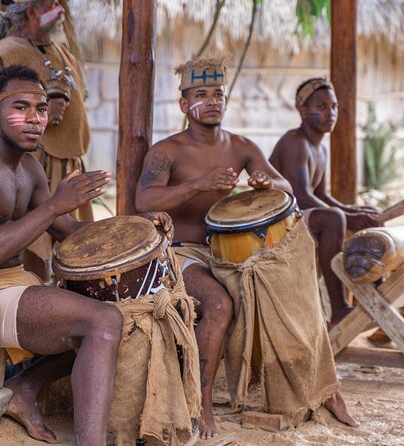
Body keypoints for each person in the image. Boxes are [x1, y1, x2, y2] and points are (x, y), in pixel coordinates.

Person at [0, 65, 172, 445]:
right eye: (21, 108)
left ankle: (25, 389)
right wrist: (54, 205)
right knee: (102, 321)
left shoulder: (28, 166)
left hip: (17, 287)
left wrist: (138, 226)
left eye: (41, 109)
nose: (34, 119)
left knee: (117, 309)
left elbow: (68, 232)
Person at [135, 57, 356, 440]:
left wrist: (263, 183)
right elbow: (144, 200)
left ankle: (325, 389)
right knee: (220, 306)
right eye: (201, 94)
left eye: (218, 93)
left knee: (293, 291)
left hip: (226, 254)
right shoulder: (165, 151)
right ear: (185, 105)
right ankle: (202, 403)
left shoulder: (240, 146)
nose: (213, 101)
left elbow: (286, 186)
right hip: (179, 253)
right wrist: (198, 185)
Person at [0, 0, 92, 282]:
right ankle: (30, 304)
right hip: (35, 161)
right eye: (53, 4)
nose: (62, 9)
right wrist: (41, 115)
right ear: (32, 12)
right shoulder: (6, 52)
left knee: (79, 246)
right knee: (33, 247)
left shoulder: (62, 52)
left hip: (68, 161)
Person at [269, 77, 380, 326]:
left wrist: (354, 210)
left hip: (297, 216)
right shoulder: (295, 142)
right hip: (275, 224)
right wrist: (348, 216)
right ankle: (339, 308)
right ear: (303, 111)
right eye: (321, 107)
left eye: (334, 106)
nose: (330, 113)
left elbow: (320, 195)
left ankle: (377, 300)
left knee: (368, 214)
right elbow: (300, 194)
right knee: (334, 219)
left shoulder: (320, 148)